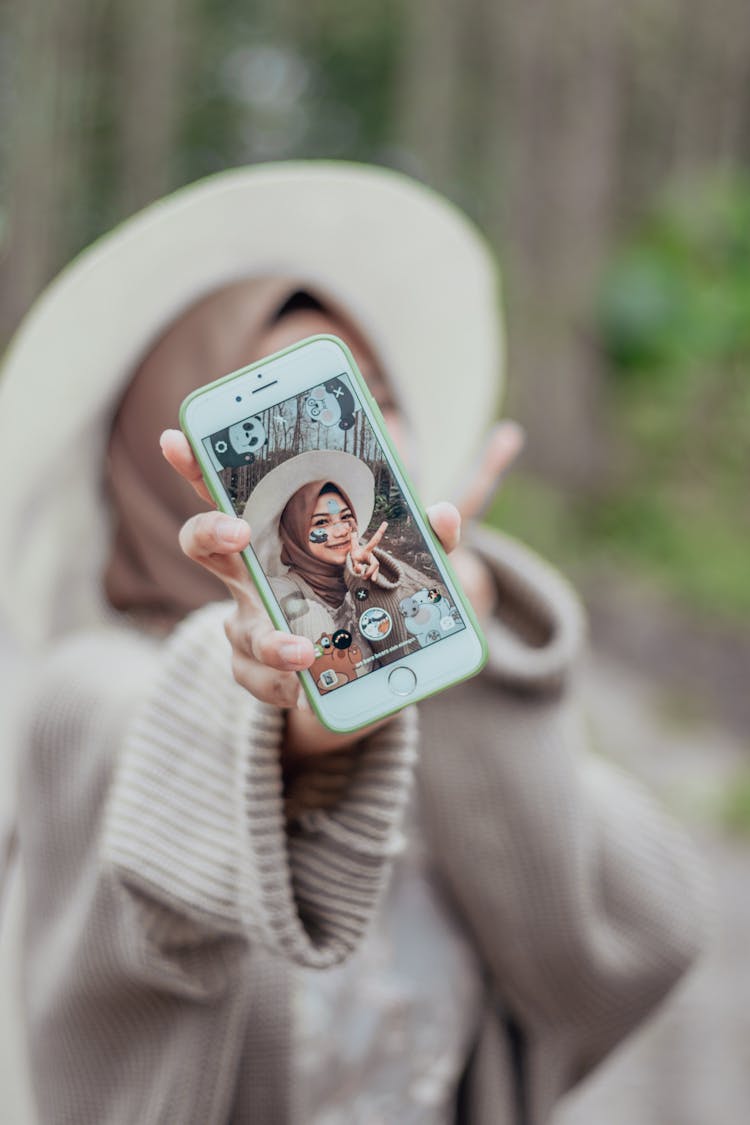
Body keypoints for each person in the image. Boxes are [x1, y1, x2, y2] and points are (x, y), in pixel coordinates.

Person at [0, 163, 705, 1125]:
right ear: (169, 464)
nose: (342, 452)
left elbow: (638, 938)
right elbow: (170, 773)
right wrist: (280, 707)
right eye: (262, 429)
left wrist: (466, 645)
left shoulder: (451, 679)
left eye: (368, 397)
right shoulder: (80, 700)